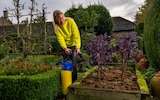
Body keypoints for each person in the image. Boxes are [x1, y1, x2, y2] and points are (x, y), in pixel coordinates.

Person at [53, 10, 81, 82]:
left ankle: (74, 82)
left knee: (74, 64)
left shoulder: (70, 21)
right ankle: (67, 81)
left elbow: (76, 35)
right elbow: (60, 38)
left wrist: (78, 47)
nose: (62, 21)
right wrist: (65, 48)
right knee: (67, 64)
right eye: (59, 20)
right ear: (56, 21)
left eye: (62, 18)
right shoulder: (57, 27)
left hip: (74, 45)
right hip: (65, 47)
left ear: (63, 16)